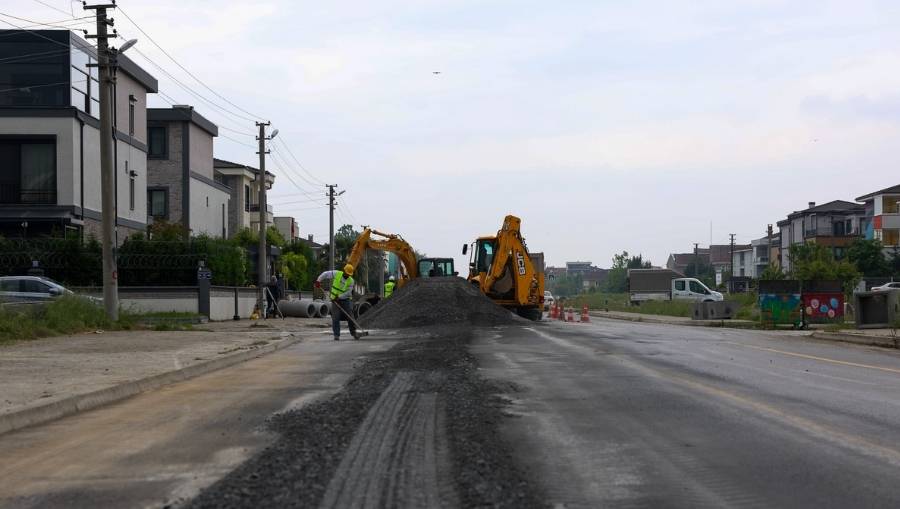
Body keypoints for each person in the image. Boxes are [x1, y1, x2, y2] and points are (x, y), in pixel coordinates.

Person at [315, 264, 359, 341]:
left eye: (349, 274)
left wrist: (339, 297)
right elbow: (325, 274)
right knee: (335, 317)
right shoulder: (337, 273)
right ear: (344, 271)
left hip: (346, 300)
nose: (347, 275)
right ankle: (336, 335)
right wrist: (318, 280)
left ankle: (353, 332)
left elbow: (348, 293)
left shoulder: (351, 281)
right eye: (347, 273)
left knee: (350, 316)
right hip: (334, 300)